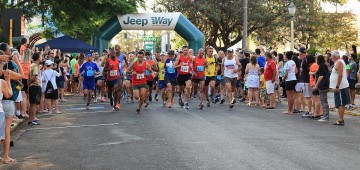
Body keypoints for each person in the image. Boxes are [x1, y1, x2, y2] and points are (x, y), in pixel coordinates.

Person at [330, 51, 350, 125]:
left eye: (331, 56)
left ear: (334, 56)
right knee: (339, 104)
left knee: (340, 104)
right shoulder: (339, 62)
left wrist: (337, 86)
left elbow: (340, 75)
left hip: (340, 87)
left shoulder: (339, 62)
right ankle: (341, 119)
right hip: (340, 86)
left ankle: (341, 120)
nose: (331, 57)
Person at [313, 55, 330, 122]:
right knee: (324, 101)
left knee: (324, 101)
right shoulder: (324, 65)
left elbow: (320, 76)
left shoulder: (321, 66)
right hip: (325, 84)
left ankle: (326, 116)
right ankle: (325, 115)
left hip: (322, 85)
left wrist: (316, 85)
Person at [297, 47, 313, 117]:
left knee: (308, 96)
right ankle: (309, 110)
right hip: (304, 79)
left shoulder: (306, 60)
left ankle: (309, 111)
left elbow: (309, 69)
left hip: (306, 80)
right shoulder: (303, 59)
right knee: (307, 96)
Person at [19, 48, 31, 118]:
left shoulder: (21, 61)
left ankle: (23, 111)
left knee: (23, 96)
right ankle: (24, 112)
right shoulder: (29, 62)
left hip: (21, 79)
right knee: (25, 97)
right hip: (27, 80)